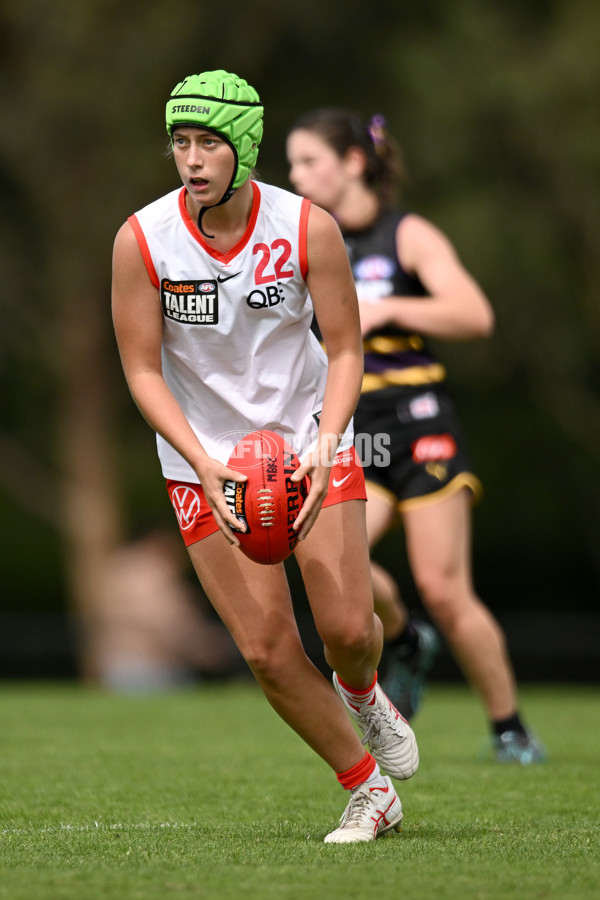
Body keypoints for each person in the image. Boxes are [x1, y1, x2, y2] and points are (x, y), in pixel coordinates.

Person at [111, 70, 420, 844]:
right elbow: (143, 370)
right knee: (268, 649)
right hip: (203, 458)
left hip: (308, 437)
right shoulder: (142, 238)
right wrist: (201, 461)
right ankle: (368, 789)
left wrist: (325, 445)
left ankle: (364, 690)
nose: (190, 158)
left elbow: (347, 349)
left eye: (208, 142)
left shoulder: (306, 226)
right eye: (180, 141)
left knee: (348, 629)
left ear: (244, 147)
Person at [286, 108, 546, 764]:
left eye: (309, 161)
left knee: (444, 587)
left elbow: (474, 314)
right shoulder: (301, 240)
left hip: (420, 429)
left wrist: (394, 307)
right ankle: (402, 640)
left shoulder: (405, 235)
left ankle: (509, 727)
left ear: (352, 163)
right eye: (290, 164)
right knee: (338, 565)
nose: (295, 175)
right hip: (349, 434)